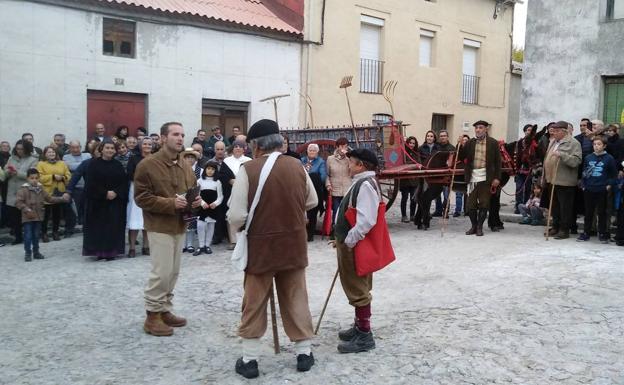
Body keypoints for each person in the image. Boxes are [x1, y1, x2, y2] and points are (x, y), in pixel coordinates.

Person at [227, 119, 317, 378]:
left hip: (261, 246)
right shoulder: (297, 165)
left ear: (255, 146)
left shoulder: (248, 169)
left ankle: (250, 360)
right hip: (294, 243)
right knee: (296, 297)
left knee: (254, 301)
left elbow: (235, 216)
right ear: (278, 142)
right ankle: (304, 353)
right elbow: (312, 201)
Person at [134, 122, 200, 337]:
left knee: (173, 272)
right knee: (161, 273)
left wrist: (195, 200)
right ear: (163, 138)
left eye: (182, 134)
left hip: (180, 224)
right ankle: (152, 315)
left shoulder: (184, 164)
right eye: (175, 134)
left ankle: (164, 309)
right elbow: (141, 198)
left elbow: (190, 189)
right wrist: (170, 204)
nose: (180, 138)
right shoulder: (147, 165)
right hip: (159, 225)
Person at [332, 148, 382, 354]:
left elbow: (367, 220)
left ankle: (364, 335)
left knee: (357, 288)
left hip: (354, 246)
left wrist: (349, 241)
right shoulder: (362, 182)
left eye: (350, 162)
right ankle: (359, 325)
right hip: (351, 243)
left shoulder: (365, 185)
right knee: (357, 286)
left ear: (361, 165)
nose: (348, 165)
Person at [82, 140, 128, 259]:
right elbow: (91, 183)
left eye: (112, 148)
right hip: (98, 202)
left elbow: (124, 182)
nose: (110, 150)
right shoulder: (93, 164)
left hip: (115, 202)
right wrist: (105, 193)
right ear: (101, 149)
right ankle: (99, 252)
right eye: (107, 148)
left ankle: (112, 252)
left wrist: (116, 192)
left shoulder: (117, 165)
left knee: (113, 227)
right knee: (99, 228)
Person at [458, 120, 501, 236]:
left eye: (480, 128)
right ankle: (474, 226)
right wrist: (460, 145)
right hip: (472, 177)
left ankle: (480, 227)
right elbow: (461, 157)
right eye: (476, 128)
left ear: (486, 129)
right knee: (470, 205)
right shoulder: (470, 143)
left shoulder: (493, 143)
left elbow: (498, 162)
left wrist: (497, 178)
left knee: (484, 203)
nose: (478, 130)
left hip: (486, 178)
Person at [15, 168, 67, 261]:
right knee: (28, 236)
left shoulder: (41, 189)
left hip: (38, 216)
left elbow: (49, 199)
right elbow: (18, 202)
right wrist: (26, 209)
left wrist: (62, 199)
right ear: (27, 178)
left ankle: (36, 252)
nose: (34, 180)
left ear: (39, 178)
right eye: (32, 178)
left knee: (36, 235)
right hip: (28, 217)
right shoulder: (23, 189)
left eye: (36, 178)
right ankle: (28, 253)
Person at [542, 121, 582, 240]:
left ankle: (564, 230)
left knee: (565, 207)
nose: (553, 133)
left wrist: (562, 155)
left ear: (564, 131)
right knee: (554, 207)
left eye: (557, 131)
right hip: (551, 180)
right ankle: (555, 226)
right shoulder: (553, 142)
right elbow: (547, 159)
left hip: (565, 181)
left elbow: (576, 161)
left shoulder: (573, 143)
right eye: (553, 130)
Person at [576, 136, 617, 243]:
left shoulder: (609, 158)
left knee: (602, 213)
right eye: (594, 144)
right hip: (589, 188)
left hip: (602, 189)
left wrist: (608, 185)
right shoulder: (589, 157)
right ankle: (586, 233)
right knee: (588, 213)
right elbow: (584, 173)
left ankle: (602, 233)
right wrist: (584, 185)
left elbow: (613, 175)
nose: (596, 146)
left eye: (599, 144)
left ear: (604, 146)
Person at [0, 140, 39, 244]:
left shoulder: (33, 159)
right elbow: (4, 174)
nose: (19, 151)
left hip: (25, 191)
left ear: (27, 148)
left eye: (21, 149)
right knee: (14, 217)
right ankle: (18, 237)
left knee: (26, 217)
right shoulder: (11, 158)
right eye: (17, 149)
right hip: (12, 192)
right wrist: (7, 172)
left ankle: (29, 238)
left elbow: (33, 176)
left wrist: (17, 173)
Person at [36, 146, 71, 242]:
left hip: (59, 191)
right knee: (46, 215)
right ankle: (44, 233)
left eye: (53, 152)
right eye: (49, 152)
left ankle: (55, 232)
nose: (51, 154)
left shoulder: (62, 163)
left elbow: (68, 175)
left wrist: (63, 178)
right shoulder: (41, 164)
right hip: (46, 193)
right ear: (45, 154)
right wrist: (52, 177)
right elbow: (39, 178)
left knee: (57, 214)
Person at [126, 137, 153, 258]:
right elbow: (130, 173)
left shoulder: (155, 158)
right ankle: (132, 247)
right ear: (141, 145)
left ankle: (146, 246)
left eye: (149, 144)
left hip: (151, 190)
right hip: (136, 189)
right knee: (134, 218)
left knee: (147, 219)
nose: (147, 146)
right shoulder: (133, 158)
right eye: (145, 144)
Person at [224, 140, 251, 249]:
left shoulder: (249, 160)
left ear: (244, 149)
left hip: (245, 191)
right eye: (236, 146)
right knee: (232, 215)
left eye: (240, 146)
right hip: (230, 191)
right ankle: (233, 241)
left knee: (245, 215)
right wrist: (230, 181)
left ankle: (245, 240)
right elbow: (223, 175)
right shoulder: (227, 161)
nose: (238, 148)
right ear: (233, 148)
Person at [62, 141, 91, 236]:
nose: (75, 149)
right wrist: (83, 165)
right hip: (74, 187)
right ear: (69, 148)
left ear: (80, 147)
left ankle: (87, 228)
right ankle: (69, 229)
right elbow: (67, 166)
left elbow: (89, 166)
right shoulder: (66, 157)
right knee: (72, 210)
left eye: (77, 147)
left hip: (87, 187)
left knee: (87, 209)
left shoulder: (87, 155)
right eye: (73, 147)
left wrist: (75, 166)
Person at [209, 141, 235, 245]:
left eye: (221, 149)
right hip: (215, 193)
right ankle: (217, 236)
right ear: (214, 150)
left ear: (225, 150)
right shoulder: (210, 162)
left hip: (228, 192)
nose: (220, 151)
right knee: (217, 215)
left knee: (228, 214)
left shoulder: (229, 162)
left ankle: (228, 236)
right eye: (217, 149)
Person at [195, 161, 223, 255]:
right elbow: (197, 195)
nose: (210, 171)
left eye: (212, 169)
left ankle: (207, 245)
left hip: (213, 208)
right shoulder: (199, 181)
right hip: (202, 208)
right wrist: (202, 203)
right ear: (205, 169)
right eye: (208, 169)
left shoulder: (217, 182)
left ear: (215, 171)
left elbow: (220, 196)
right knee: (200, 226)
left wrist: (215, 203)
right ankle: (201, 245)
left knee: (211, 227)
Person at [301, 143, 327, 241]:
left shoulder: (320, 162)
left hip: (315, 189)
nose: (312, 152)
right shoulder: (302, 160)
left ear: (317, 152)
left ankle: (310, 234)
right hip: (302, 188)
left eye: (314, 150)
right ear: (307, 151)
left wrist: (310, 178)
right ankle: (302, 233)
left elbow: (323, 177)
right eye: (310, 150)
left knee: (312, 211)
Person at [325, 137, 352, 229]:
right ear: (337, 147)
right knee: (336, 211)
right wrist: (328, 184)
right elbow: (327, 174)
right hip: (335, 189)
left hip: (347, 189)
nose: (343, 148)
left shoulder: (349, 159)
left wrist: (349, 158)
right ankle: (335, 229)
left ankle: (347, 229)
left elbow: (352, 173)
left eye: (345, 146)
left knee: (347, 211)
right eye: (341, 146)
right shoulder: (330, 159)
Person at [180, 147, 201, 254]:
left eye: (192, 157)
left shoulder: (199, 170)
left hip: (194, 198)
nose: (190, 159)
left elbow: (201, 184)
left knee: (192, 221)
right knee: (183, 221)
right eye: (187, 157)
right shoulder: (180, 169)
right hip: (182, 197)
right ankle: (182, 244)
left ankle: (190, 244)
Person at [514, 124, 539, 214]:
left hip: (529, 171)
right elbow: (516, 155)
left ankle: (525, 206)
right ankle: (518, 206)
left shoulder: (535, 143)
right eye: (528, 130)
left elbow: (536, 156)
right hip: (520, 170)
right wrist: (515, 168)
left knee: (528, 189)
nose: (529, 131)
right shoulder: (519, 142)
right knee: (519, 188)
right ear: (524, 131)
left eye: (531, 130)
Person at [433, 130, 455, 217]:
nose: (442, 137)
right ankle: (438, 210)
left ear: (447, 137)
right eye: (441, 136)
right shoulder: (436, 147)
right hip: (437, 174)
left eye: (444, 136)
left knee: (446, 195)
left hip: (447, 175)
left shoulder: (452, 148)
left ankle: (445, 211)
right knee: (436, 194)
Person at [399, 136, 420, 222]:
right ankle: (404, 216)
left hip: (414, 179)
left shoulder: (417, 153)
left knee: (413, 198)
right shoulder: (403, 153)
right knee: (404, 197)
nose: (411, 145)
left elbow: (419, 163)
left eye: (413, 143)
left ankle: (412, 215)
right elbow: (403, 163)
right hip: (405, 179)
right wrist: (414, 165)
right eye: (410, 143)